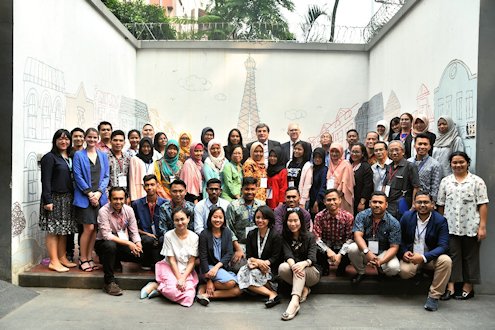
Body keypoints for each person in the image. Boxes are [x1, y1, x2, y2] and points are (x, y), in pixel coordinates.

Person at [437, 151, 489, 300]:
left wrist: (482, 226)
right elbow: (441, 205)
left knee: (470, 256)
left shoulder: (477, 181)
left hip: (471, 225)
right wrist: (442, 225)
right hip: (451, 226)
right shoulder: (446, 182)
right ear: (450, 164)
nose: (458, 165)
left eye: (461, 162)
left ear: (467, 163)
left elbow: (483, 204)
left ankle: (468, 286)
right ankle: (451, 286)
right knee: (452, 256)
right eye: (455, 162)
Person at [398, 191, 451, 312]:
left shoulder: (440, 220)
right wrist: (404, 252)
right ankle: (419, 272)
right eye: (419, 202)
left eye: (426, 202)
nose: (422, 205)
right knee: (404, 272)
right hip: (411, 257)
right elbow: (399, 239)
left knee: (446, 261)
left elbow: (443, 246)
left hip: (430, 258)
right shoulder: (407, 217)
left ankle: (434, 296)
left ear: (432, 204)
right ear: (414, 204)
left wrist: (423, 257)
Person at [142, 208, 199, 306]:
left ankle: (160, 289)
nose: (180, 222)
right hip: (170, 267)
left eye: (182, 219)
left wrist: (183, 278)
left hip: (186, 270)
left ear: (188, 219)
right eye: (177, 220)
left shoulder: (194, 237)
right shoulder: (168, 236)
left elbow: (191, 261)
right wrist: (179, 279)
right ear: (173, 221)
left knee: (189, 296)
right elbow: (172, 260)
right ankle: (157, 286)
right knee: (173, 290)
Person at [39, 129, 78, 272]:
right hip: (54, 199)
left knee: (64, 230)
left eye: (67, 139)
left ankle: (62, 258)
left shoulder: (70, 157)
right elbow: (45, 181)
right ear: (55, 141)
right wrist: (47, 200)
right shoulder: (49, 157)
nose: (64, 142)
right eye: (61, 139)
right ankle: (53, 261)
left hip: (68, 198)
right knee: (53, 231)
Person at [73, 128, 110, 272]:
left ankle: (90, 257)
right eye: (89, 137)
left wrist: (99, 193)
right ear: (85, 138)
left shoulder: (103, 155)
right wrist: (90, 194)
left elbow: (106, 176)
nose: (92, 140)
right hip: (84, 197)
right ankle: (82, 258)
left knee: (95, 229)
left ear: (98, 138)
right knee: (87, 228)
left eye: (95, 137)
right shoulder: (78, 155)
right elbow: (77, 176)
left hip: (99, 198)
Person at [95, 187, 143, 296]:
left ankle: (115, 260)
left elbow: (134, 231)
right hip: (104, 244)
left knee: (141, 255)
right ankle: (109, 282)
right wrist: (129, 243)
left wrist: (137, 244)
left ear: (126, 199)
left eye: (121, 199)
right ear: (109, 199)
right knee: (110, 246)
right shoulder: (103, 211)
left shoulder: (129, 210)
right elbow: (106, 235)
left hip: (122, 242)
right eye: (115, 199)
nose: (118, 202)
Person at [347, 192, 401, 284]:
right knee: (352, 248)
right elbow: (357, 236)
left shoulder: (393, 222)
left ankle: (381, 271)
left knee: (394, 268)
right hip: (365, 251)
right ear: (369, 203)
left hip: (383, 253)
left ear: (386, 205)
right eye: (374, 202)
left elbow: (394, 247)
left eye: (380, 202)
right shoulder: (361, 216)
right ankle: (361, 272)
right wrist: (367, 252)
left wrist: (381, 261)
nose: (377, 205)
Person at [279, 209, 320, 321]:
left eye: (295, 220)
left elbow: (312, 258)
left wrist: (303, 264)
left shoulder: (310, 236)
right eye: (290, 221)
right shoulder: (284, 237)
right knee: (282, 268)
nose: (293, 224)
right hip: (296, 270)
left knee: (299, 269)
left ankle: (294, 302)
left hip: (312, 272)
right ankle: (304, 289)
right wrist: (294, 266)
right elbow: (288, 255)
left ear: (301, 221)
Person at [237, 205, 282, 307]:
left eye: (264, 218)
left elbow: (276, 257)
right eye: (258, 217)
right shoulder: (251, 234)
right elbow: (249, 255)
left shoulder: (276, 235)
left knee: (251, 274)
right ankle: (271, 294)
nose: (260, 220)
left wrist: (263, 264)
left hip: (269, 267)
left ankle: (270, 291)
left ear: (269, 220)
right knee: (244, 272)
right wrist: (257, 262)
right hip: (254, 264)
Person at [196, 207, 242, 305]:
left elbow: (229, 253)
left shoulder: (227, 232)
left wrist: (217, 267)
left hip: (220, 267)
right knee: (231, 283)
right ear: (210, 218)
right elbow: (203, 258)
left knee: (239, 290)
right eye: (215, 217)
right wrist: (208, 280)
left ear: (224, 219)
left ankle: (205, 295)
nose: (218, 220)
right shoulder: (204, 234)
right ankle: (205, 285)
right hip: (207, 268)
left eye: (220, 217)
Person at [225, 177, 265, 270]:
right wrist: (238, 249)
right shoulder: (233, 206)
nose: (250, 192)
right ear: (241, 189)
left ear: (256, 189)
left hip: (258, 244)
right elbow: (228, 228)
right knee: (239, 267)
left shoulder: (261, 205)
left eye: (252, 189)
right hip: (240, 244)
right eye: (247, 189)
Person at [313, 189, 354, 276]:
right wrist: (328, 250)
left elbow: (350, 239)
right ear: (324, 202)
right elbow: (317, 238)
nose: (332, 202)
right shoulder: (319, 216)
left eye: (334, 199)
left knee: (352, 248)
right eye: (329, 200)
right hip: (326, 247)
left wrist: (340, 254)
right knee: (314, 246)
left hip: (341, 247)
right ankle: (324, 267)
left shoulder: (348, 217)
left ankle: (341, 267)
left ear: (339, 200)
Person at [132, 174, 166, 269]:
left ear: (157, 185)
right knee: (148, 240)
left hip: (161, 235)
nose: (149, 187)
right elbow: (132, 226)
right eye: (147, 185)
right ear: (143, 187)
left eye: (152, 184)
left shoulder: (165, 203)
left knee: (163, 239)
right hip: (145, 236)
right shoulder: (136, 204)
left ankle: (159, 263)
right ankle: (146, 261)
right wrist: (146, 234)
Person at [382, 141, 420, 219]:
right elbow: (384, 185)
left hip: (402, 204)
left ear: (403, 151)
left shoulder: (410, 166)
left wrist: (414, 205)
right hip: (388, 204)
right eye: (391, 150)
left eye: (397, 150)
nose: (394, 153)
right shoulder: (388, 167)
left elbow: (416, 187)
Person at [407, 133, 443, 202]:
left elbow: (435, 187)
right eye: (420, 144)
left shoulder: (435, 164)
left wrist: (433, 202)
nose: (422, 147)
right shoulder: (408, 162)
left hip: (425, 200)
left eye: (425, 144)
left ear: (429, 147)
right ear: (414, 146)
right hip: (409, 198)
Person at [327, 142, 354, 214]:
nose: (334, 154)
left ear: (341, 152)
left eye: (337, 151)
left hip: (342, 198)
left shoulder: (346, 164)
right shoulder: (331, 164)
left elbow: (345, 184)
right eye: (332, 151)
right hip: (331, 198)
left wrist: (335, 195)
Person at [128, 137, 155, 202]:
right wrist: (133, 198)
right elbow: (132, 179)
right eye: (144, 146)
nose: (146, 149)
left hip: (150, 190)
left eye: (148, 146)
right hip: (138, 191)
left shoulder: (153, 160)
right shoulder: (134, 159)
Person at [350, 143, 373, 216]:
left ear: (362, 154)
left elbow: (368, 186)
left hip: (360, 201)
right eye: (352, 151)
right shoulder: (349, 165)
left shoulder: (366, 167)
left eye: (357, 152)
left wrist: (362, 202)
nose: (354, 154)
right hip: (350, 201)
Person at [308, 148, 328, 216]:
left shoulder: (324, 170)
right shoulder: (311, 168)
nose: (317, 159)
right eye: (315, 157)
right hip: (311, 200)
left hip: (319, 202)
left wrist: (317, 202)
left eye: (320, 157)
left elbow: (323, 186)